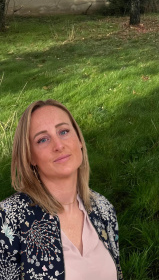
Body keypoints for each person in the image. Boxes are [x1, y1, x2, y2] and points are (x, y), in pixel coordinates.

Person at [0, 99, 122, 279]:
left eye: (63, 131)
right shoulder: (8, 219)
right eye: (42, 139)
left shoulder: (103, 209)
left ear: (79, 140)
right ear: (30, 156)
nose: (58, 145)